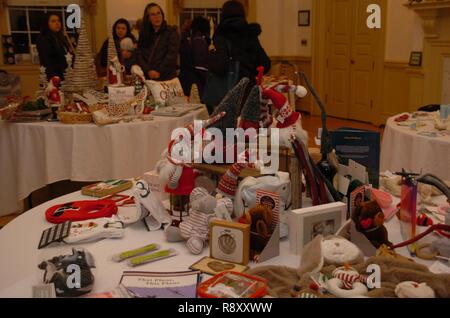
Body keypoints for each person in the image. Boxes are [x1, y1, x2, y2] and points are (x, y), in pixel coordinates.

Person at [208, 0, 271, 85]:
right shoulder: (250, 34)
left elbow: (220, 68)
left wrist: (211, 53)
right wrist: (250, 71)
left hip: (228, 89)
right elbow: (265, 64)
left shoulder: (221, 34)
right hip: (249, 87)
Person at [137, 3, 180, 81]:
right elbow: (139, 54)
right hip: (148, 77)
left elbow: (171, 55)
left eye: (158, 13)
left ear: (162, 15)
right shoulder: (144, 33)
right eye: (153, 14)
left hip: (166, 77)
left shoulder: (171, 32)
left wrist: (158, 71)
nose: (157, 17)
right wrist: (148, 70)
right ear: (148, 18)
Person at [36, 13, 75, 80]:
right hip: (53, 77)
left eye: (58, 21)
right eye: (53, 21)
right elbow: (48, 62)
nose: (57, 23)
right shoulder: (44, 39)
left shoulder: (62, 38)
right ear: (47, 24)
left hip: (66, 76)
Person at [179, 16, 210, 97]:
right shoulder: (199, 41)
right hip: (196, 81)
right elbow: (200, 65)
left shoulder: (190, 39)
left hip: (186, 79)